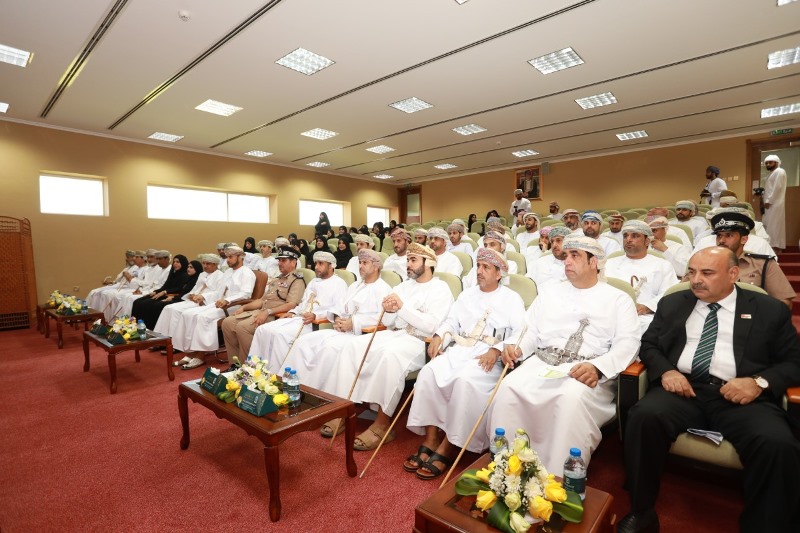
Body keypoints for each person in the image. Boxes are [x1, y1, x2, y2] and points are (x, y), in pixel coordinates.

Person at [618, 247, 800, 533]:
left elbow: (793, 362)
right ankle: (641, 510)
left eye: (707, 273)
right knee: (643, 416)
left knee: (777, 442)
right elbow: (649, 344)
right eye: (691, 272)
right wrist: (666, 371)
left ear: (733, 274)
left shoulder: (768, 310)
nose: (696, 280)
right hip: (685, 389)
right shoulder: (673, 303)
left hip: (741, 395)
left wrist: (758, 383)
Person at [486, 234, 640, 473]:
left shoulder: (619, 299)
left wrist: (597, 367)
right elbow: (530, 330)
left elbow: (628, 344)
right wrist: (517, 346)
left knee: (569, 399)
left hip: (585, 371)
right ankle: (505, 469)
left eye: (575, 255)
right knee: (508, 388)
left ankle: (558, 477)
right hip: (542, 363)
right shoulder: (550, 292)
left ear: (594, 262)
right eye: (566, 255)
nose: (566, 260)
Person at [405, 247, 526, 479]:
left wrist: (496, 349)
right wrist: (440, 336)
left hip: (488, 357)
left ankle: (449, 445)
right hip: (461, 349)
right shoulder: (467, 295)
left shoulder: (512, 299)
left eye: (486, 267)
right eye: (478, 266)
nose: (479, 271)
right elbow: (451, 321)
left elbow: (520, 332)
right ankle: (431, 438)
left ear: (499, 273)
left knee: (464, 381)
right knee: (428, 372)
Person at [324, 243, 453, 451]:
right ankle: (343, 410)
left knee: (389, 356)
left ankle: (382, 424)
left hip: (419, 341)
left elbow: (431, 326)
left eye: (413, 260)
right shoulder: (403, 286)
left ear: (428, 263)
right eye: (408, 260)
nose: (408, 264)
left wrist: (402, 307)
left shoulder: (441, 289)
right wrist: (389, 310)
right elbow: (389, 322)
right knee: (352, 347)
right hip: (395, 334)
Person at [286, 248, 393, 437]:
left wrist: (354, 322)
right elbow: (339, 307)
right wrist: (337, 319)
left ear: (376, 266)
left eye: (365, 263)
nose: (360, 266)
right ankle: (303, 395)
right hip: (343, 331)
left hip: (362, 336)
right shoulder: (355, 286)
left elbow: (384, 319)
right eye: (360, 262)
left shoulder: (384, 289)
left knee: (332, 349)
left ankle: (339, 410)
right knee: (305, 342)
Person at [250, 251, 348, 374]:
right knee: (263, 330)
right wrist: (292, 312)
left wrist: (315, 315)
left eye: (321, 264)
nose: (316, 267)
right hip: (299, 318)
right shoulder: (314, 282)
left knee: (279, 335)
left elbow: (338, 310)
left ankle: (277, 375)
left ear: (331, 266)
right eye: (316, 263)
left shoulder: (339, 284)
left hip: (315, 323)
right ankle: (255, 371)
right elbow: (303, 304)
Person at [171, 245, 256, 369]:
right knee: (188, 314)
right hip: (218, 304)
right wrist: (203, 296)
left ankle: (200, 356)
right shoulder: (228, 272)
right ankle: (191, 353)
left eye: (230, 257)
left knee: (202, 317)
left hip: (234, 306)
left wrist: (227, 300)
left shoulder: (247, 272)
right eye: (227, 257)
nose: (227, 260)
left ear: (240, 257)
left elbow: (246, 294)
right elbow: (218, 292)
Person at [219, 246, 305, 364]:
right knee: (227, 323)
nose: (279, 263)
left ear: (294, 262)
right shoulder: (277, 279)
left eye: (283, 260)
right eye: (279, 260)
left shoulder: (297, 280)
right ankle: (235, 364)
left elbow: (291, 304)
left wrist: (267, 312)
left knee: (243, 327)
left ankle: (250, 366)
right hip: (262, 311)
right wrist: (244, 307)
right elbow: (262, 300)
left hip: (276, 316)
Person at [705, 211, 795, 308]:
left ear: (744, 239)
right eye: (719, 236)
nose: (721, 241)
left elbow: (784, 301)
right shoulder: (705, 263)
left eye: (729, 235)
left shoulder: (763, 264)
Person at [605, 220, 678, 334]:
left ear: (647, 241)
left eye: (635, 236)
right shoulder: (608, 263)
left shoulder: (663, 265)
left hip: (644, 318)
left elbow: (668, 294)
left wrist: (646, 307)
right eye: (625, 236)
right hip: (610, 314)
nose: (628, 239)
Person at [153, 254, 225, 358]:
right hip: (194, 300)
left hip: (205, 302)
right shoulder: (202, 274)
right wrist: (191, 294)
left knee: (178, 312)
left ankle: (175, 343)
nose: (205, 266)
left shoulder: (220, 276)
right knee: (168, 308)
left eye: (208, 264)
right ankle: (162, 339)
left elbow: (218, 293)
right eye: (204, 263)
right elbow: (196, 287)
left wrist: (203, 297)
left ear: (215, 264)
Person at [130, 255, 192, 329]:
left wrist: (164, 292)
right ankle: (134, 325)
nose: (175, 264)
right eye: (174, 262)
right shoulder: (173, 273)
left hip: (171, 295)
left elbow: (179, 289)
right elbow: (166, 285)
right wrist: (156, 291)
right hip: (164, 293)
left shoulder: (185, 275)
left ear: (183, 263)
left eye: (178, 262)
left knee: (149, 304)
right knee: (138, 301)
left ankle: (148, 327)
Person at [111, 250, 172, 319]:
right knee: (127, 296)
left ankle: (129, 320)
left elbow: (159, 287)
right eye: (157, 259)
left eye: (159, 259)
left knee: (132, 298)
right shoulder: (157, 269)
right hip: (148, 290)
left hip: (156, 293)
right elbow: (149, 284)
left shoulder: (168, 270)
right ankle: (123, 319)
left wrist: (143, 292)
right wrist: (140, 290)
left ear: (167, 259)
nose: (157, 261)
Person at [762, 154, 786, 251]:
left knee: (774, 225)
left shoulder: (779, 171)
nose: (768, 164)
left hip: (775, 203)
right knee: (770, 224)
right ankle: (772, 246)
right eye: (766, 163)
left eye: (770, 162)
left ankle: (775, 247)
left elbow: (777, 187)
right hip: (771, 204)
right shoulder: (772, 173)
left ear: (776, 162)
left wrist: (769, 201)